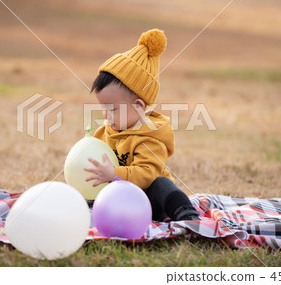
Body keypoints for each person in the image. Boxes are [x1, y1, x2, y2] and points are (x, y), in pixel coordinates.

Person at [83, 29, 200, 222]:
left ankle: (186, 213)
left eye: (113, 109)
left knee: (161, 184)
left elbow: (146, 175)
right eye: (103, 108)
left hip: (148, 201)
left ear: (138, 107)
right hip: (117, 201)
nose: (106, 115)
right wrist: (79, 164)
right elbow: (93, 157)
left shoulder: (150, 138)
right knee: (91, 188)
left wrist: (114, 173)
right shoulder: (105, 132)